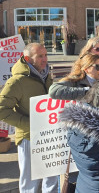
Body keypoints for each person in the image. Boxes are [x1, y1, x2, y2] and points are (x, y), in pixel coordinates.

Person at [0, 43, 58, 192]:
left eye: (46, 55)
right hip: (28, 138)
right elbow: (1, 109)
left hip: (49, 135)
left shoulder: (45, 75)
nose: (45, 59)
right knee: (30, 183)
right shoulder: (17, 81)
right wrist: (30, 124)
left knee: (51, 179)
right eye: (40, 56)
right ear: (27, 58)